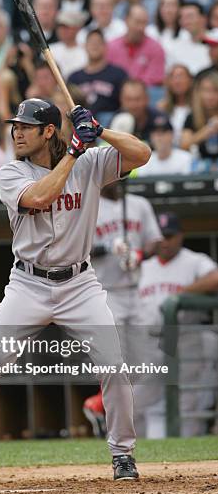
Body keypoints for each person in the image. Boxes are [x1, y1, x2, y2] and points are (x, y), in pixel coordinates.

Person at [0, 97, 151, 484]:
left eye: (25, 126)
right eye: (15, 126)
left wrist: (100, 131)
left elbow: (142, 154)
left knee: (115, 369)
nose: (16, 132)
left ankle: (123, 455)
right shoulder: (11, 171)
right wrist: (74, 151)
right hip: (27, 283)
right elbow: (40, 197)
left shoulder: (90, 163)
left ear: (49, 131)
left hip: (79, 284)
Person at [84, 181, 162, 437]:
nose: (117, 179)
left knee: (143, 367)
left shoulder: (139, 204)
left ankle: (102, 409)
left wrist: (140, 254)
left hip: (135, 292)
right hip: (105, 292)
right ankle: (105, 413)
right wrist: (107, 248)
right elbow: (76, 249)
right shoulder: (89, 205)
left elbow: (155, 242)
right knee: (113, 362)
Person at [135, 212, 218, 438]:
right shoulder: (144, 266)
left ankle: (186, 464)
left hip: (186, 340)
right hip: (150, 342)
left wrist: (183, 293)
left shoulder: (194, 261)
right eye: (161, 236)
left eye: (170, 235)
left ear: (180, 236)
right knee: (135, 400)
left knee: (187, 404)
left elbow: (215, 278)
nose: (165, 241)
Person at [68, 29, 127, 119]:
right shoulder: (74, 78)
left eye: (98, 43)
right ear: (85, 46)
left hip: (110, 123)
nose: (94, 46)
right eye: (91, 42)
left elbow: (126, 103)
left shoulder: (118, 74)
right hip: (81, 124)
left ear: (105, 47)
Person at [107, 4, 165, 87]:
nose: (141, 28)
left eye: (144, 23)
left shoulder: (156, 48)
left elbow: (154, 80)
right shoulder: (111, 47)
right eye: (137, 22)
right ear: (126, 20)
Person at [110, 79, 167, 144]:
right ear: (121, 100)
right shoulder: (117, 119)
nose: (133, 105)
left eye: (138, 99)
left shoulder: (159, 119)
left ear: (147, 99)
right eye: (128, 99)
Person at [181, 72, 218, 161]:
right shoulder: (192, 116)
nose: (210, 96)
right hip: (201, 166)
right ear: (199, 93)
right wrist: (207, 130)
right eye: (206, 90)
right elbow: (184, 145)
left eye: (215, 91)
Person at [167, 2, 211, 75]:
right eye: (181, 17)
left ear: (203, 18)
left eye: (190, 16)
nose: (185, 21)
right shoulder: (175, 46)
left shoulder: (215, 39)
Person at [157, 64, 193, 146]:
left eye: (181, 76)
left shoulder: (199, 107)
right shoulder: (162, 107)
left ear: (190, 80)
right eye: (173, 77)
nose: (177, 81)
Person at [49, 10, 87, 80]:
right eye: (59, 26)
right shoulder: (49, 50)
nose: (61, 30)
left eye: (66, 27)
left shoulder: (86, 51)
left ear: (77, 28)